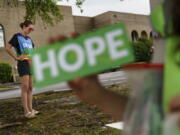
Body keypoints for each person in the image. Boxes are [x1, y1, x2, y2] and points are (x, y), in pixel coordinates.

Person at [6, 20, 39, 118]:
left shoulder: (29, 39)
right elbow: (7, 48)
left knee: (30, 87)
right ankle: (26, 111)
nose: (31, 31)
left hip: (30, 64)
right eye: (30, 28)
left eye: (32, 29)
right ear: (24, 26)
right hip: (22, 63)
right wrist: (16, 58)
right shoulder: (17, 37)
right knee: (25, 87)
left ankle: (31, 109)